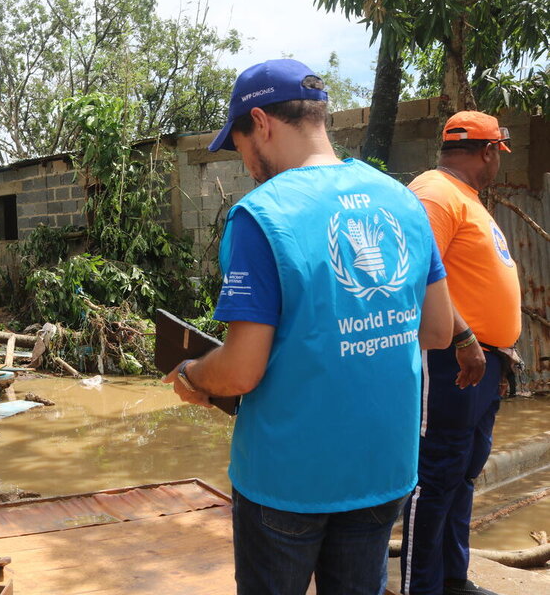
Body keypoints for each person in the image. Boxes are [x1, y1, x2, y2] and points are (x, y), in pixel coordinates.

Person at [162, 58, 454, 595]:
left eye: (241, 144)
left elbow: (242, 371)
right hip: (382, 470)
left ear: (262, 122)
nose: (246, 162)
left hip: (288, 482)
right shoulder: (403, 200)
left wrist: (193, 374)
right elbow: (438, 331)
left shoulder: (261, 216)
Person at [400, 111, 521, 595]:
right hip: (452, 358)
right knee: (437, 473)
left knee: (462, 471)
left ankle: (452, 578)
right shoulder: (434, 193)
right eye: (498, 156)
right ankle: (419, 586)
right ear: (489, 151)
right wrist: (464, 337)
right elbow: (413, 278)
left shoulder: (465, 198)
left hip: (482, 360)